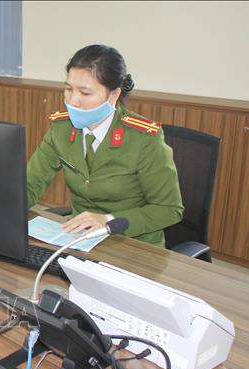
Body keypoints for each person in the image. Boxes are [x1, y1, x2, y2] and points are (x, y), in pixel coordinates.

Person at [26, 44, 183, 247]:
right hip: (79, 240)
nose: (73, 101)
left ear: (113, 95)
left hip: (134, 246)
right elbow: (31, 184)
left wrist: (108, 221)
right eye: (68, 89)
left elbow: (169, 209)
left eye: (85, 93)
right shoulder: (61, 128)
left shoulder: (143, 139)